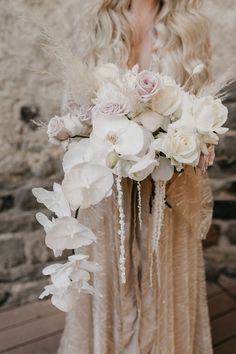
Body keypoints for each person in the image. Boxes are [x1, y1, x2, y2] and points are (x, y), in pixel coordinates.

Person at [58, 1, 215, 353]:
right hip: (107, 184)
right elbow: (71, 106)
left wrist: (192, 140)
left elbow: (203, 105)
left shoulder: (192, 26)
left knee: (164, 276)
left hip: (168, 187)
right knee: (109, 278)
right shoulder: (93, 21)